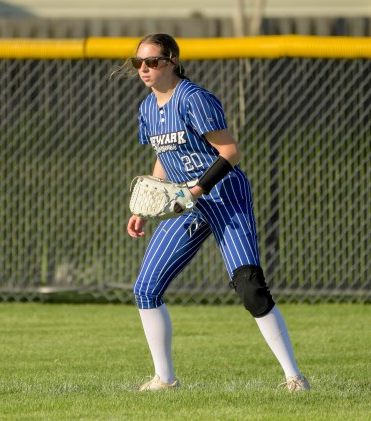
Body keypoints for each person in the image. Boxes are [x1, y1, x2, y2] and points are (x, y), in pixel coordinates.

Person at [123, 34, 310, 392]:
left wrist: (197, 189)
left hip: (223, 196)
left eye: (153, 61)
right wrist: (144, 207)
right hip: (185, 203)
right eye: (139, 63)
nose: (145, 69)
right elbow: (165, 155)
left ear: (173, 61)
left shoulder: (194, 99)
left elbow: (230, 152)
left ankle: (294, 377)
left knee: (250, 288)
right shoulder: (148, 108)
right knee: (146, 289)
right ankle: (164, 379)